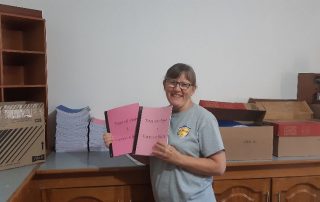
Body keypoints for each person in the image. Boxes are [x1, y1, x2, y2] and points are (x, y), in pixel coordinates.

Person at [104, 63, 226, 202]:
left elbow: (219, 167)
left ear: (193, 90)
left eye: (184, 84)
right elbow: (151, 159)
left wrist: (177, 158)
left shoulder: (204, 118)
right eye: (172, 82)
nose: (177, 88)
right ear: (164, 85)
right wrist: (121, 145)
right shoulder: (156, 117)